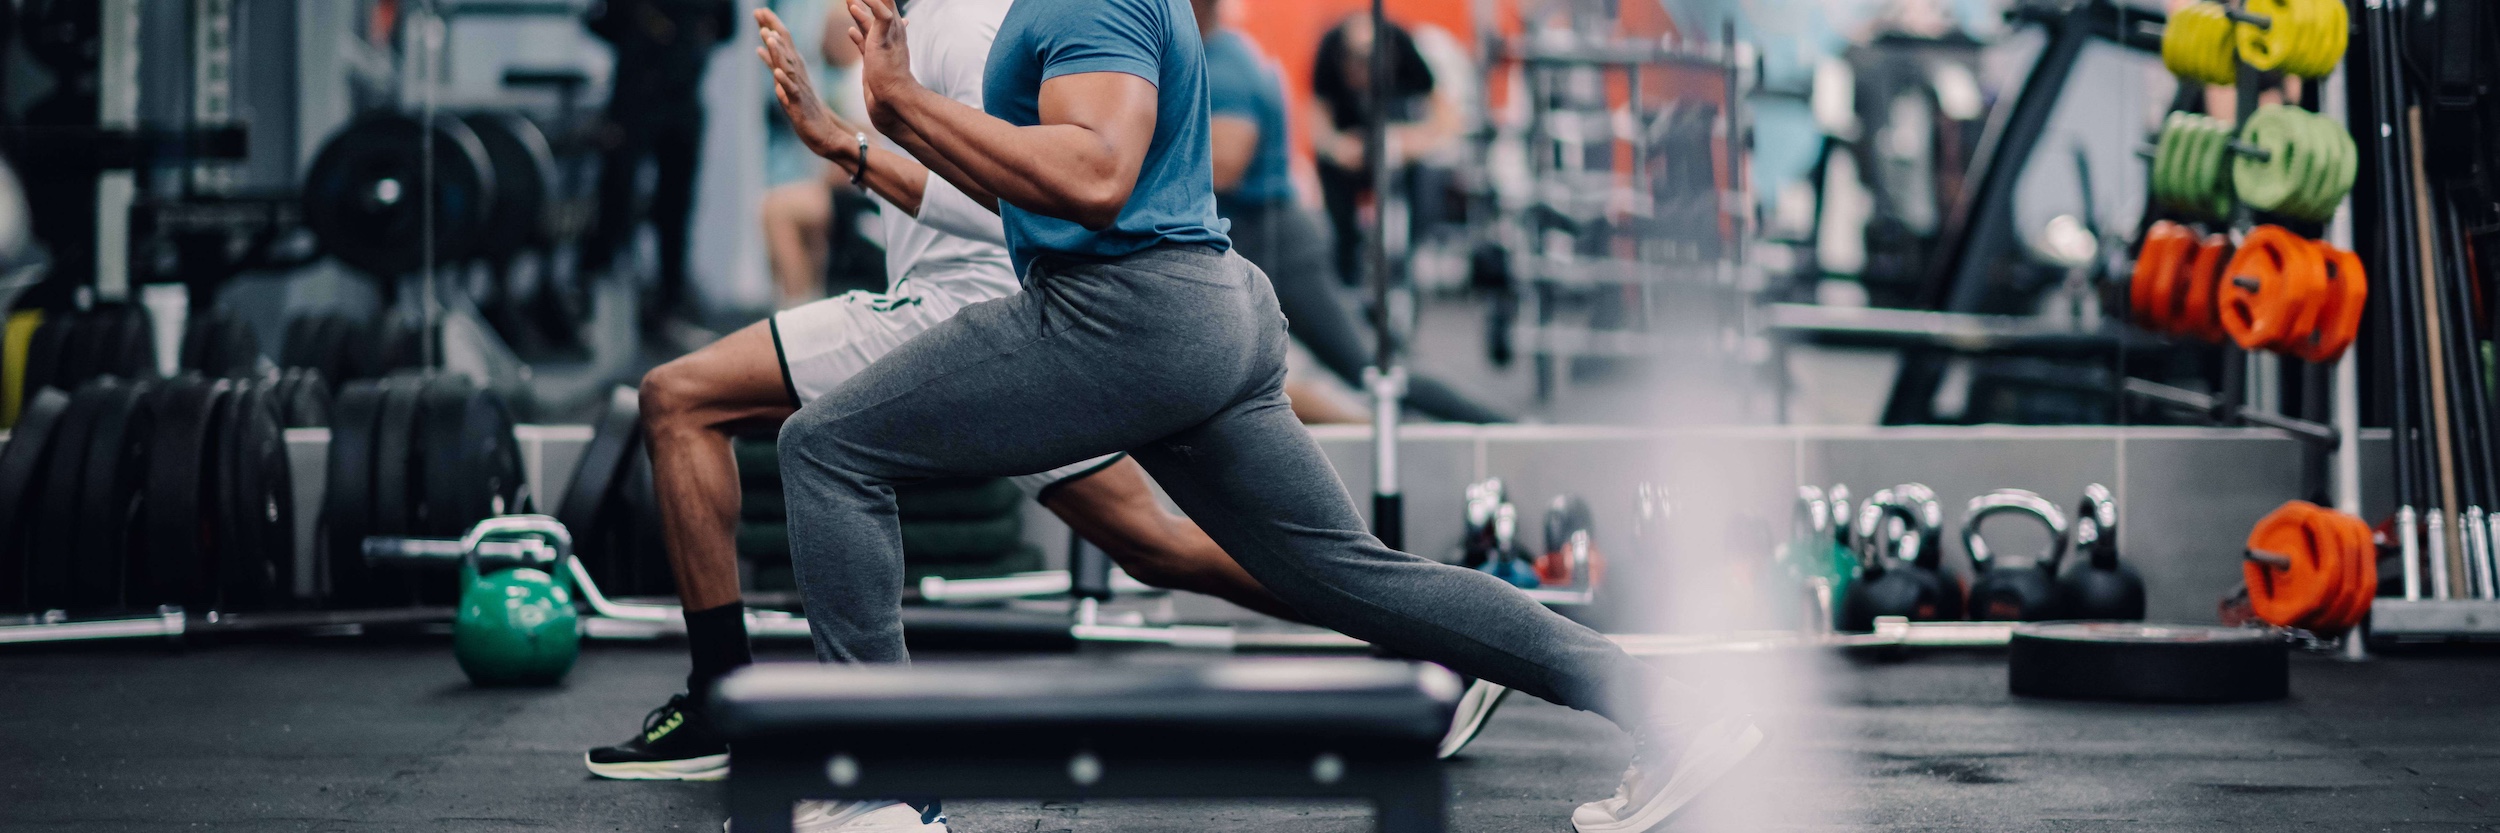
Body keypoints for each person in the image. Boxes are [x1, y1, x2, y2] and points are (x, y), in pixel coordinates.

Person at [760, 0, 1762, 831]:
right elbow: (1026, 198)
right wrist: (870, 133)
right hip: (1200, 309)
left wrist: (900, 101)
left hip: (1124, 315)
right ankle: (1670, 709)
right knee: (1349, 575)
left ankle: (877, 786)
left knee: (827, 447)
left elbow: (1094, 178)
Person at [583, 0, 1301, 793]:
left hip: (961, 309)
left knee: (678, 397)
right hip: (1013, 317)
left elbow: (1023, 200)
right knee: (1152, 544)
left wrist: (852, 149)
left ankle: (728, 703)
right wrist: (846, 134)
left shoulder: (967, 26)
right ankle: (1402, 632)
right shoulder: (919, 23)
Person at [1194, 0, 1510, 425]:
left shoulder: (1225, 65)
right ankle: (1375, 432)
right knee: (1229, 378)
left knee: (1371, 370)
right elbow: (1317, 121)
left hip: (1277, 247)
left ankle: (1501, 427)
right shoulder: (1221, 55)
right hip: (1268, 236)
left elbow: (1228, 165)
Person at [581, 0, 736, 339]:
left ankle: (668, 304)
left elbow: (726, 28)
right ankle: (598, 305)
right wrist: (644, 33)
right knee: (616, 201)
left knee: (675, 207)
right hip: (635, 96)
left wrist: (684, 39)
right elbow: (599, 21)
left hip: (681, 97)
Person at [1308, 13, 1461, 284]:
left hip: (1399, 150)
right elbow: (1317, 119)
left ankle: (1411, 261)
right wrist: (1337, 147)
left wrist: (1411, 140)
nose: (1363, 76)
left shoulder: (1402, 45)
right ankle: (1346, 270)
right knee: (1331, 178)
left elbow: (1446, 117)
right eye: (1357, 67)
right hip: (1352, 152)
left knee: (1424, 180)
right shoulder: (1329, 48)